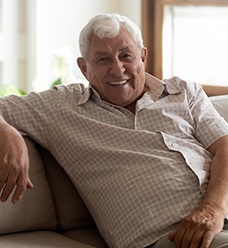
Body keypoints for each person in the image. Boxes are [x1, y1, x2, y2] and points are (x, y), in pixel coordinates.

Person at [0, 13, 228, 248]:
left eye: (126, 56)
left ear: (143, 56)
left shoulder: (184, 92)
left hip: (220, 211)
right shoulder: (62, 107)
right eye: (103, 60)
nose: (118, 69)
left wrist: (214, 209)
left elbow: (225, 146)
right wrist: (7, 133)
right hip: (173, 236)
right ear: (83, 68)